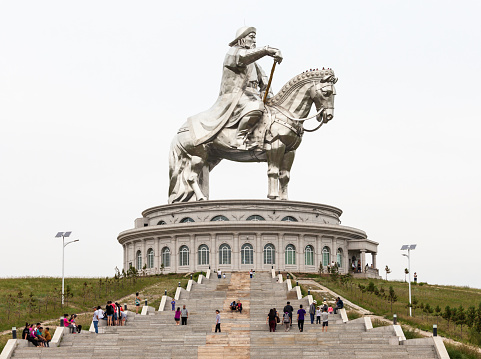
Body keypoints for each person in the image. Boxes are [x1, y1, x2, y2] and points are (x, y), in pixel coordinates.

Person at [187, 26, 283, 150]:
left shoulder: (256, 65)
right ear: (242, 39)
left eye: (255, 38)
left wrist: (268, 97)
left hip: (254, 96)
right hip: (237, 95)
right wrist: (266, 50)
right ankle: (240, 138)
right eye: (251, 37)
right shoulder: (233, 52)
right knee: (256, 107)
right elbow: (243, 57)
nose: (254, 41)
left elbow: (265, 84)